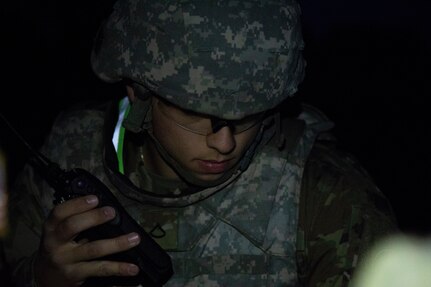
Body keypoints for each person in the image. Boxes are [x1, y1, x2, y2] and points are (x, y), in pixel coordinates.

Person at [2, 0, 399, 286]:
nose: (225, 142)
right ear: (139, 95)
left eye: (246, 116)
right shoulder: (71, 149)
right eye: (195, 114)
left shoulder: (327, 197)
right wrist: (41, 278)